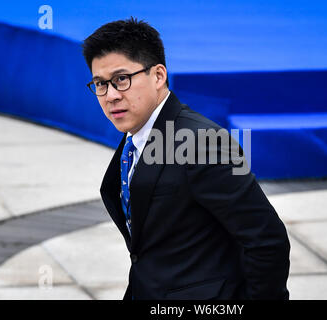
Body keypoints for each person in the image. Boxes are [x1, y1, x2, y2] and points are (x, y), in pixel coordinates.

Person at [82, 17, 290, 300]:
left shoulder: (202, 142)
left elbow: (267, 241)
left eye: (122, 79)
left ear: (158, 76)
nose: (111, 96)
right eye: (100, 84)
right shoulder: (136, 135)